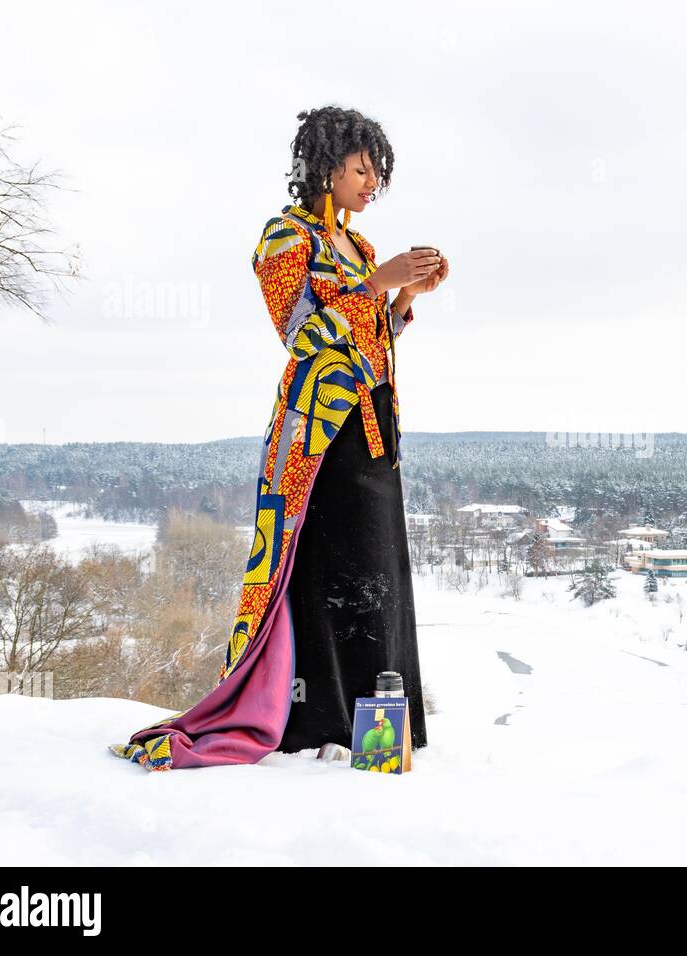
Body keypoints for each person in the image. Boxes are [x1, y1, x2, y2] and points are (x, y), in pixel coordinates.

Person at [108, 105, 448, 771]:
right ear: (324, 169)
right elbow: (303, 335)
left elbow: (369, 343)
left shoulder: (361, 248)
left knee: (377, 574)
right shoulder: (284, 238)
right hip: (317, 443)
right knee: (323, 573)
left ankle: (380, 734)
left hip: (375, 432)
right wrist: (378, 286)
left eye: (378, 171)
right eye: (360, 168)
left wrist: (404, 302)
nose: (371, 181)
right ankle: (311, 722)